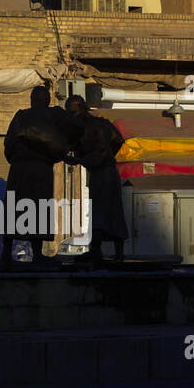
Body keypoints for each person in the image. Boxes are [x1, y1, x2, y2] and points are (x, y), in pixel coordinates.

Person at [1, 85, 79, 267]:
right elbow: (76, 127)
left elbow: (8, 143)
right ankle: (37, 253)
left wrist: (16, 158)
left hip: (19, 168)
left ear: (31, 100)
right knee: (39, 208)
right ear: (47, 100)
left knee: (13, 208)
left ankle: (6, 252)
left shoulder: (21, 116)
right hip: (40, 168)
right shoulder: (53, 115)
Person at [66, 95, 128, 268]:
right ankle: (106, 250)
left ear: (77, 110)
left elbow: (101, 152)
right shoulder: (100, 123)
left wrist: (80, 160)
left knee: (103, 211)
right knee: (109, 211)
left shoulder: (88, 126)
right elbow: (118, 140)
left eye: (70, 112)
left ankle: (98, 250)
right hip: (106, 171)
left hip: (104, 172)